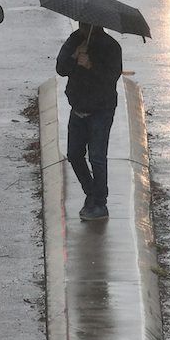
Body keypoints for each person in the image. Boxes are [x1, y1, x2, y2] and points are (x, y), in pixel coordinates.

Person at [56, 24, 123, 220]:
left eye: (86, 24)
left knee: (97, 157)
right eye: (81, 23)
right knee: (74, 154)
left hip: (101, 109)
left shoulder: (111, 46)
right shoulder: (75, 40)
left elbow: (111, 78)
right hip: (78, 108)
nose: (82, 27)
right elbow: (61, 68)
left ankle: (100, 203)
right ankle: (91, 192)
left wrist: (90, 65)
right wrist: (74, 57)